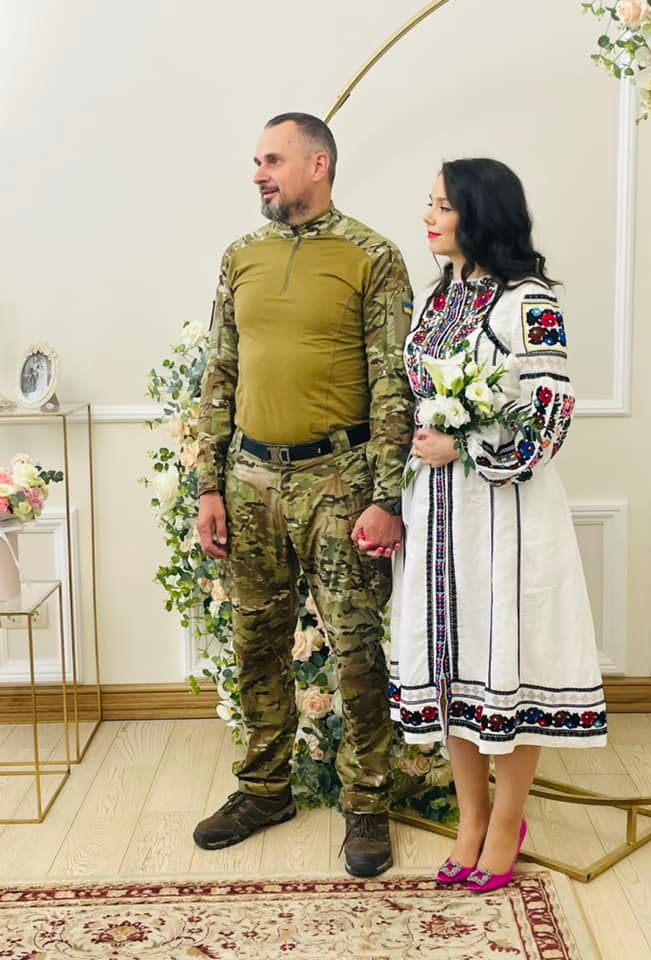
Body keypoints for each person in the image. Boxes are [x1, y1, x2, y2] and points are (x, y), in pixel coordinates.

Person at [193, 112, 415, 877]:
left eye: (272, 159)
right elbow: (219, 371)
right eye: (257, 161)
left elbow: (393, 384)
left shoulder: (373, 256)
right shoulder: (240, 256)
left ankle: (367, 803)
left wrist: (385, 496)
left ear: (317, 165)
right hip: (249, 479)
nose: (259, 173)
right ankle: (264, 790)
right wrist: (209, 486)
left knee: (356, 647)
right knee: (256, 641)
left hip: (340, 482)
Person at [379, 158, 607, 893]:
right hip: (436, 512)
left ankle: (507, 823)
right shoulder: (435, 299)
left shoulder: (531, 301)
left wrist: (468, 446)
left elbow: (551, 413)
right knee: (448, 666)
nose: (429, 216)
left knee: (506, 661)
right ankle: (469, 819)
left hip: (504, 513)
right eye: (430, 203)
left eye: (443, 205)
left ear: (479, 214)